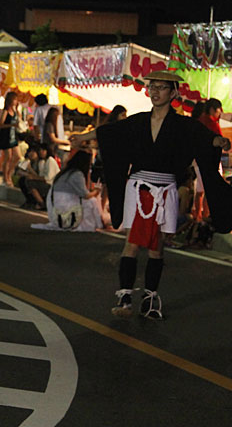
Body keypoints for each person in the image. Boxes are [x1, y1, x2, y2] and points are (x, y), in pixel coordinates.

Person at [70, 71, 232, 320]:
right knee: (132, 242)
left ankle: (150, 298)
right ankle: (124, 297)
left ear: (173, 92)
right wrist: (82, 136)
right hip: (139, 187)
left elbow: (205, 138)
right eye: (152, 87)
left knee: (157, 247)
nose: (154, 91)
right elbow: (110, 132)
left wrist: (219, 142)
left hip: (165, 189)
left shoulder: (183, 125)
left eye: (161, 87)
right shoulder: (138, 121)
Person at [32, 150, 103, 232]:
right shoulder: (77, 174)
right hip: (66, 208)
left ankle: (98, 223)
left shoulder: (65, 172)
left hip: (55, 207)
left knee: (89, 201)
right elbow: (85, 195)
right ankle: (96, 224)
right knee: (92, 201)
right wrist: (96, 191)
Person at [193, 98, 223, 222]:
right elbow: (221, 143)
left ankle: (198, 217)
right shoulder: (212, 124)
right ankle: (205, 216)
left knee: (200, 190)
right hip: (209, 161)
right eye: (218, 110)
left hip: (197, 160)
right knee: (209, 189)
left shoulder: (198, 121)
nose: (219, 113)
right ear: (212, 109)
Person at [18, 144, 60, 210]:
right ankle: (35, 202)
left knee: (31, 183)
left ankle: (41, 203)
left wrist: (32, 176)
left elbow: (47, 178)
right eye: (40, 150)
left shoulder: (50, 160)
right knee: (25, 181)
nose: (41, 152)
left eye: (43, 150)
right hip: (46, 183)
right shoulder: (41, 162)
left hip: (52, 184)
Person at [0, 91, 21, 186]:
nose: (16, 101)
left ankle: (8, 174)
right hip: (6, 136)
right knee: (8, 157)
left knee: (17, 156)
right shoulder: (5, 111)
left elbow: (19, 120)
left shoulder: (15, 111)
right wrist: (12, 125)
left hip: (13, 136)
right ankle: (5, 178)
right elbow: (0, 124)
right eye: (14, 99)